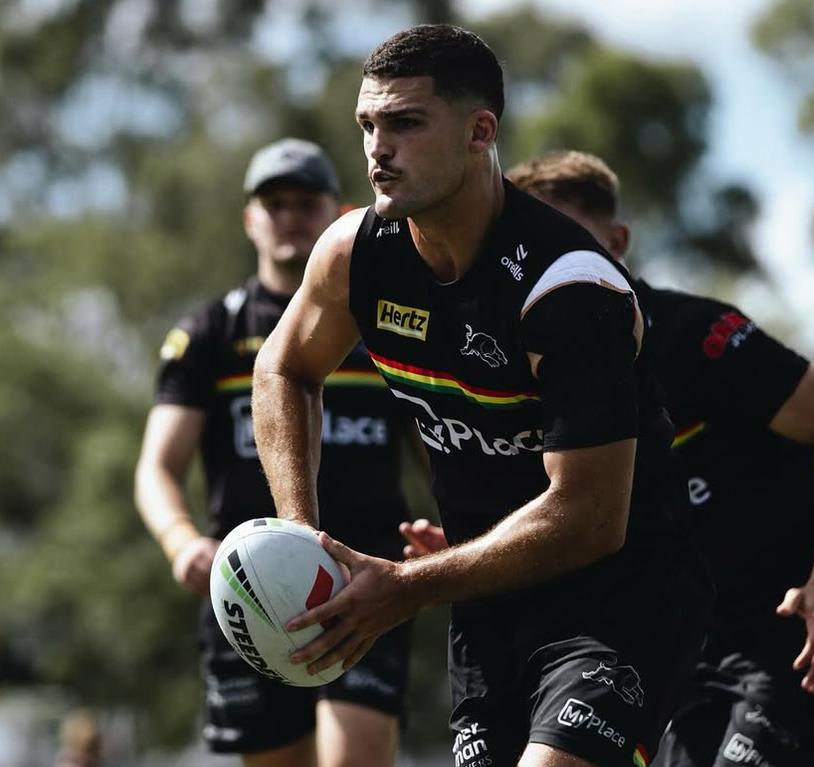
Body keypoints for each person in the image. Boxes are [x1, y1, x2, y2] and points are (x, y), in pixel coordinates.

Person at [251, 25, 712, 767]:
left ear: (480, 131)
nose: (378, 149)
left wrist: (404, 587)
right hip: (487, 606)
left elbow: (589, 517)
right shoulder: (354, 252)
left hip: (620, 601)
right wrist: (299, 542)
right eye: (368, 125)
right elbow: (282, 368)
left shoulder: (569, 290)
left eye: (405, 123)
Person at [496, 151, 814, 767]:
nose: (551, 265)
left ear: (618, 242)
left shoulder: (697, 336)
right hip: (684, 645)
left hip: (796, 630)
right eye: (531, 247)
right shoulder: (533, 375)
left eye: (570, 240)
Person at [134, 138, 417, 767]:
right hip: (249, 586)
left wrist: (461, 530)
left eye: (305, 201)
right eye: (274, 202)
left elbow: (438, 448)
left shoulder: (385, 325)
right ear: (250, 219)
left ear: (336, 212)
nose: (288, 215)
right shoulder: (211, 333)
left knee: (359, 753)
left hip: (366, 579)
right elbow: (157, 467)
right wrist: (180, 542)